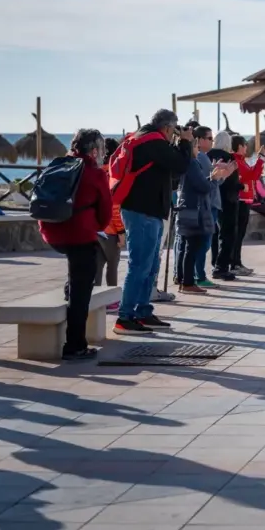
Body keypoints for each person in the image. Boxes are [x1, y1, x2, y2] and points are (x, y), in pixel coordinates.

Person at [116, 109, 192, 335]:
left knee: (150, 266)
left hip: (149, 212)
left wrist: (179, 145)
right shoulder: (152, 142)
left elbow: (172, 172)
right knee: (140, 266)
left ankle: (143, 311)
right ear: (167, 128)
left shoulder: (146, 139)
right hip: (142, 212)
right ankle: (124, 317)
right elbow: (181, 165)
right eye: (174, 130)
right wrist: (186, 143)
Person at [38, 129, 112, 360]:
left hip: (52, 232)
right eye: (102, 150)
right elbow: (105, 215)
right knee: (82, 289)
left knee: (78, 271)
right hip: (79, 235)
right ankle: (75, 345)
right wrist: (93, 226)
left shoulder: (58, 165)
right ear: (95, 150)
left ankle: (70, 287)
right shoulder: (94, 173)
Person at [176, 132, 232, 294]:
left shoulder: (188, 163)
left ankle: (185, 280)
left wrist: (213, 177)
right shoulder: (192, 164)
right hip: (194, 210)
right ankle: (187, 282)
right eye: (195, 146)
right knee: (192, 247)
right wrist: (214, 178)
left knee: (188, 247)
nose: (197, 149)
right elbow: (203, 187)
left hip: (189, 208)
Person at [192, 126, 232, 288]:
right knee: (204, 242)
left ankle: (196, 275)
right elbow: (206, 183)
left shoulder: (204, 157)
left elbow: (212, 181)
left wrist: (221, 176)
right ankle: (198, 275)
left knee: (205, 242)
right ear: (200, 141)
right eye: (209, 138)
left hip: (210, 203)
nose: (212, 141)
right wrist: (220, 176)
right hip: (208, 205)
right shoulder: (201, 157)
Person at [230, 135, 265, 276]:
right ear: (239, 146)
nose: (246, 147)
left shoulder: (241, 161)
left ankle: (237, 262)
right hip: (241, 201)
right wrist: (260, 159)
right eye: (244, 144)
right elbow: (252, 175)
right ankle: (234, 263)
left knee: (240, 234)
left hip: (246, 200)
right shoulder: (236, 161)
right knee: (237, 235)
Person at [96, 138, 124, 312]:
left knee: (97, 266)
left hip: (97, 228)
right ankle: (112, 300)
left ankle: (96, 299)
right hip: (111, 229)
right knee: (112, 265)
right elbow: (114, 207)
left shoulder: (97, 172)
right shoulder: (113, 175)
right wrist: (121, 230)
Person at [209, 131, 240, 281]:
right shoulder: (229, 158)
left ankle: (214, 262)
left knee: (214, 234)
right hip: (227, 201)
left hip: (212, 199)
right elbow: (232, 183)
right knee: (227, 235)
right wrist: (241, 186)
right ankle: (222, 267)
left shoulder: (208, 156)